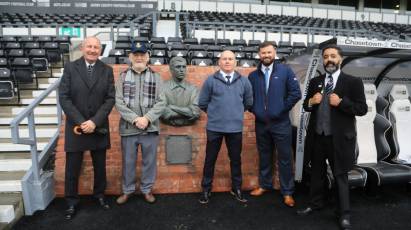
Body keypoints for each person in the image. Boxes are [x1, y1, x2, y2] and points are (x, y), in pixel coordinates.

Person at [297, 44, 367, 230]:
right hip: (318, 137)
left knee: (340, 177)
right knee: (317, 175)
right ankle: (315, 204)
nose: (329, 59)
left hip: (340, 140)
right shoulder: (315, 82)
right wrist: (311, 101)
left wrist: (342, 102)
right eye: (326, 56)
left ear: (340, 59)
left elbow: (362, 109)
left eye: (333, 56)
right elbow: (306, 106)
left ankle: (343, 214)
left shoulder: (353, 82)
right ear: (323, 60)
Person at [59, 36, 115, 220]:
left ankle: (99, 196)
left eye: (96, 47)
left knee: (100, 167)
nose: (92, 50)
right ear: (83, 48)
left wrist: (94, 122)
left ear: (100, 50)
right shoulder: (70, 68)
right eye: (89, 46)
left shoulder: (107, 70)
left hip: (98, 127)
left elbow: (110, 99)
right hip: (76, 127)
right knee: (72, 168)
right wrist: (82, 122)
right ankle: (71, 202)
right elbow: (64, 98)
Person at [248, 41, 301, 207]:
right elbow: (248, 98)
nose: (266, 55)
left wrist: (281, 109)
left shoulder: (285, 71)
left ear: (275, 52)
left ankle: (287, 192)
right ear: (259, 54)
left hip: (281, 123)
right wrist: (255, 109)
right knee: (264, 155)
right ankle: (265, 185)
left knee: (285, 158)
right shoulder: (253, 76)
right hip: (261, 123)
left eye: (269, 52)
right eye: (263, 53)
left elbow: (295, 93)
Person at [198, 50, 253, 204]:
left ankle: (236, 188)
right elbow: (202, 103)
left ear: (235, 62)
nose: (227, 61)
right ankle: (206, 189)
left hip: (235, 128)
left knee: (236, 160)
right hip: (214, 128)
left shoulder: (244, 81)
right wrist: (216, 114)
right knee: (210, 159)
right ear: (219, 62)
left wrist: (234, 113)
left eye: (230, 59)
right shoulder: (210, 80)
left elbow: (248, 102)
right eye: (224, 59)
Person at [115, 42, 166, 205]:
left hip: (150, 128)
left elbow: (161, 102)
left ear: (147, 57)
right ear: (130, 57)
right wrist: (136, 119)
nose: (139, 58)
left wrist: (147, 118)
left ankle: (146, 190)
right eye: (136, 55)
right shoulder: (122, 77)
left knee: (149, 162)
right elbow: (119, 102)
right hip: (129, 128)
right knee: (128, 162)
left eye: (142, 55)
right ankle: (127, 190)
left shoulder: (157, 77)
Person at [160, 57, 200, 126]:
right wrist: (186, 112)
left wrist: (172, 107)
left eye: (184, 67)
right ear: (171, 69)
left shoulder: (193, 89)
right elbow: (163, 113)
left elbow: (195, 113)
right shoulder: (162, 88)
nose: (181, 70)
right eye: (178, 67)